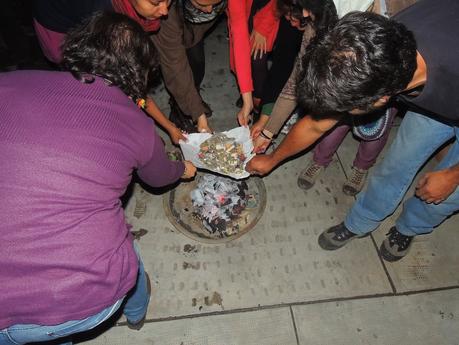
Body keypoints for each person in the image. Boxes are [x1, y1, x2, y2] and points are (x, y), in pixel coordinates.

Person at [0, 12, 196, 345]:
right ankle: (136, 314)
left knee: (37, 332)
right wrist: (184, 169)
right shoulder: (136, 123)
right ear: (139, 73)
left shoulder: (9, 83)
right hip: (91, 297)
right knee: (127, 258)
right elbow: (161, 177)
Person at [247, 0, 459, 261]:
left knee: (447, 194)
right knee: (397, 164)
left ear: (380, 101)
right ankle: (360, 222)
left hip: (450, 89)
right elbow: (315, 124)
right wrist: (271, 159)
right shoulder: (383, 44)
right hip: (433, 94)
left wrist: (453, 174)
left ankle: (409, 227)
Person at [251, 0, 395, 197]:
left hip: (380, 83)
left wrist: (273, 159)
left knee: (373, 131)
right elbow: (297, 80)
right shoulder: (317, 18)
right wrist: (268, 130)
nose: (303, 14)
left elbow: (314, 125)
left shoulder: (383, 25)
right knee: (330, 131)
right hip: (343, 86)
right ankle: (320, 161)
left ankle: (362, 167)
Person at [31, 0, 191, 145]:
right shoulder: (98, 75)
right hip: (56, 19)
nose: (165, 11)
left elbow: (140, 97)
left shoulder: (117, 50)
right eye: (155, 3)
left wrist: (170, 127)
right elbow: (138, 97)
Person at [151, 0, 227, 134]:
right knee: (178, 72)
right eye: (202, 5)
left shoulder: (207, 7)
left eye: (215, 3)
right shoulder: (165, 11)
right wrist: (199, 116)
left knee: (197, 65)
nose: (210, 10)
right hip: (170, 22)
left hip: (193, 28)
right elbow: (175, 67)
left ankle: (193, 99)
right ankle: (178, 109)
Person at [227, 0, 280, 126]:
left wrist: (263, 27)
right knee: (240, 56)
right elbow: (239, 35)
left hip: (271, 10)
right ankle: (248, 95)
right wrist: (247, 97)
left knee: (258, 58)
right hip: (245, 11)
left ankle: (259, 104)